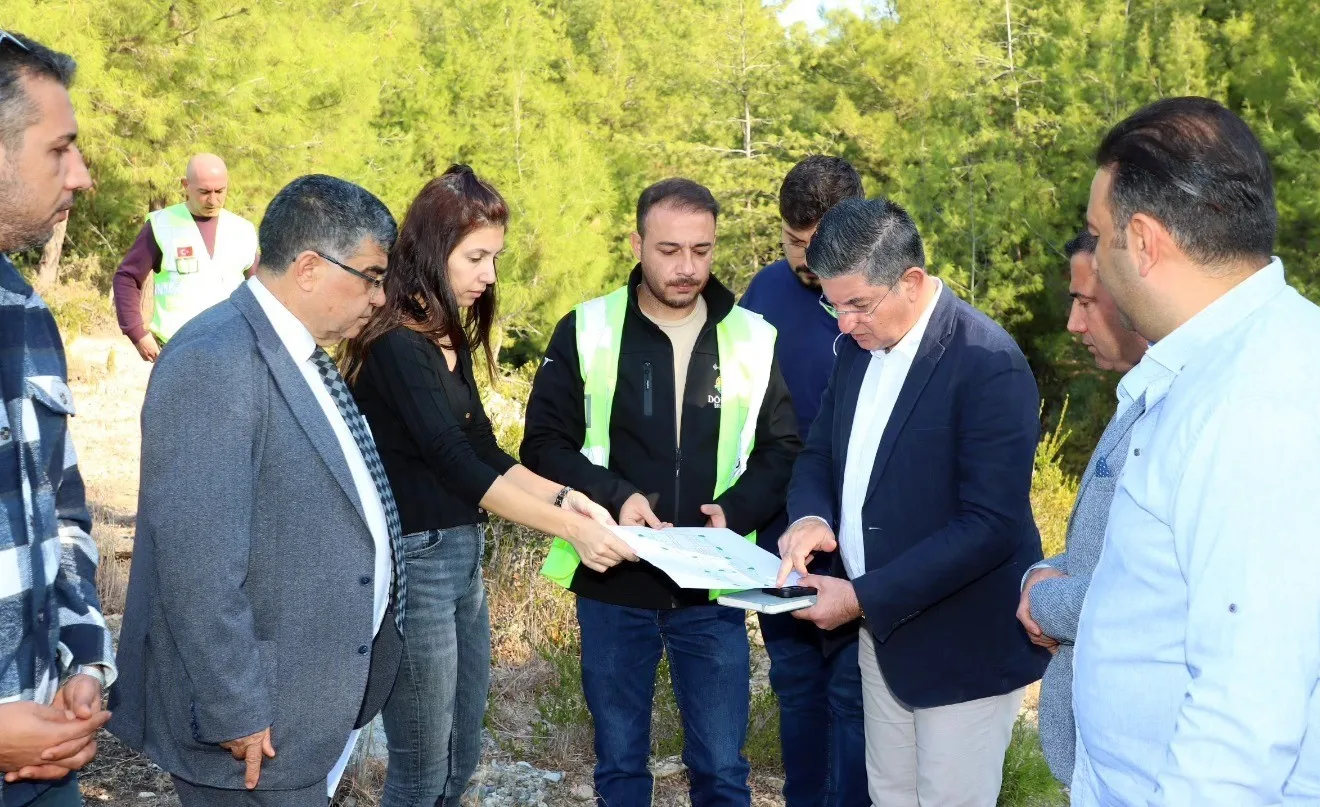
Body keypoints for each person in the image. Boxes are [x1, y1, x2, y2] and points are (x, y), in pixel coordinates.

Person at [1070, 97, 1320, 805]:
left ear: (1143, 239)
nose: (1095, 262)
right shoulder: (1218, 366)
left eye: (1098, 235)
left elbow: (1243, 717)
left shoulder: (1260, 401)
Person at [342, 165, 634, 807]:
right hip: (417, 566)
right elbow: (452, 463)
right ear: (429, 249)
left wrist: (567, 497)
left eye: (494, 258)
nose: (488, 276)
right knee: (420, 774)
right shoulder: (396, 344)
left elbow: (481, 449)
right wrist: (572, 530)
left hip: (462, 561)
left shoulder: (446, 335)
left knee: (459, 759)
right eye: (476, 257)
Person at [111, 175, 407, 806]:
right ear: (308, 267)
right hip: (252, 730)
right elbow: (196, 561)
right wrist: (234, 705)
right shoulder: (214, 359)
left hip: (299, 706)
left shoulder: (298, 350)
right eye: (372, 275)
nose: (380, 297)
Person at [521, 178, 802, 807]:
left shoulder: (754, 336)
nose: (687, 267)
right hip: (613, 576)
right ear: (637, 243)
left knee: (723, 772)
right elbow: (542, 444)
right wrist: (617, 495)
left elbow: (782, 447)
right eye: (670, 250)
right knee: (620, 767)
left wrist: (735, 513)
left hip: (712, 585)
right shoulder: (587, 328)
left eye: (702, 251)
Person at [778, 197, 1050, 807]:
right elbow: (819, 452)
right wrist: (812, 517)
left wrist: (859, 598)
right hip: (886, 637)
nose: (843, 323)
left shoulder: (988, 363)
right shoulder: (857, 348)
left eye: (857, 304)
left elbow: (990, 525)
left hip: (963, 646)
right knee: (892, 795)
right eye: (832, 303)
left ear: (912, 281)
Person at [0, 29, 114, 807]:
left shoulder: (26, 312)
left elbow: (61, 511)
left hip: (47, 764)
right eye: (59, 149)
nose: (81, 175)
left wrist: (80, 664)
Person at [737, 155, 867, 807]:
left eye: (815, 243)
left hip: (865, 537)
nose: (804, 258)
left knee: (854, 691)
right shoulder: (762, 294)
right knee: (794, 681)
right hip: (779, 530)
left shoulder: (886, 298)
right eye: (792, 241)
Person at [1013, 230, 1148, 785]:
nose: (1072, 323)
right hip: (1103, 759)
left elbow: (1151, 588)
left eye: (1086, 301)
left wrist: (1044, 599)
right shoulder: (1140, 397)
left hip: (1137, 759)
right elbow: (1119, 549)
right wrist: (1049, 570)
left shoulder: (1187, 411)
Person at [111, 152, 258, 361]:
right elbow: (126, 278)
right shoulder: (160, 225)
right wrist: (137, 334)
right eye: (204, 192)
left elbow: (262, 290)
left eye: (220, 191)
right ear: (185, 185)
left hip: (232, 352)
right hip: (176, 352)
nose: (213, 200)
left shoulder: (243, 230)